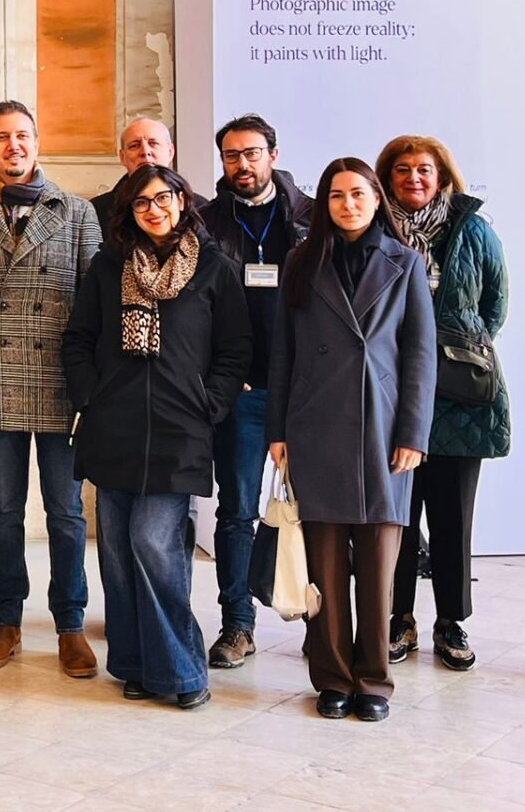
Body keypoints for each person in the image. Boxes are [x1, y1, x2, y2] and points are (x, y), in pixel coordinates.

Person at [65, 166, 249, 710]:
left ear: (182, 200)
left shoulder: (214, 268)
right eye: (141, 202)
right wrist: (90, 396)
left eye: (162, 197)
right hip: (113, 427)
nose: (153, 209)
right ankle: (135, 664)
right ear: (129, 211)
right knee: (118, 553)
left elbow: (236, 349)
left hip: (179, 430)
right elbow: (78, 339)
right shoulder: (109, 266)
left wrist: (210, 403)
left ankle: (182, 669)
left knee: (153, 542)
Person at [267, 157, 434, 722]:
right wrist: (277, 430)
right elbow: (283, 352)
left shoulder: (405, 262)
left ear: (376, 198)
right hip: (315, 424)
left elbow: (420, 356)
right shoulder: (301, 261)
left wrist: (413, 432)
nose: (348, 204)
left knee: (380, 568)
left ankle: (375, 681)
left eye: (358, 193)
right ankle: (333, 678)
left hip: (383, 429)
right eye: (337, 195)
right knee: (326, 568)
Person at [0, 100, 102, 676]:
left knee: (66, 514)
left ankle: (70, 624)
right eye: (1, 137)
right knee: (0, 511)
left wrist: (90, 389)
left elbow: (93, 310)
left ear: (37, 143)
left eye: (22, 135)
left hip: (60, 383)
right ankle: (7, 619)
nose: (12, 145)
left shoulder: (77, 213)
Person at [378, 135, 510, 671]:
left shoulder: (473, 230)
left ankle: (451, 621)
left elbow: (494, 304)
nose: (413, 177)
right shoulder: (375, 227)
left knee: (453, 517)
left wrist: (453, 352)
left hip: (459, 396)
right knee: (398, 517)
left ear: (442, 176)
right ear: (387, 177)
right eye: (402, 169)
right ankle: (398, 618)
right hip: (389, 391)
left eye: (424, 169)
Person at [199, 113, 312, 669]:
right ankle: (237, 625)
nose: (242, 164)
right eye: (231, 155)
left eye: (251, 153)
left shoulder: (310, 217)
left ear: (273, 154)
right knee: (237, 511)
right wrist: (221, 371)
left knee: (317, 512)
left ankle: (321, 623)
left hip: (306, 391)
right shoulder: (204, 222)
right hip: (241, 391)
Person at [89, 118, 204, 226]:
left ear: (170, 152)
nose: (145, 151)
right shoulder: (97, 212)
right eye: (134, 145)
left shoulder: (201, 209)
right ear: (123, 157)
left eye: (153, 143)